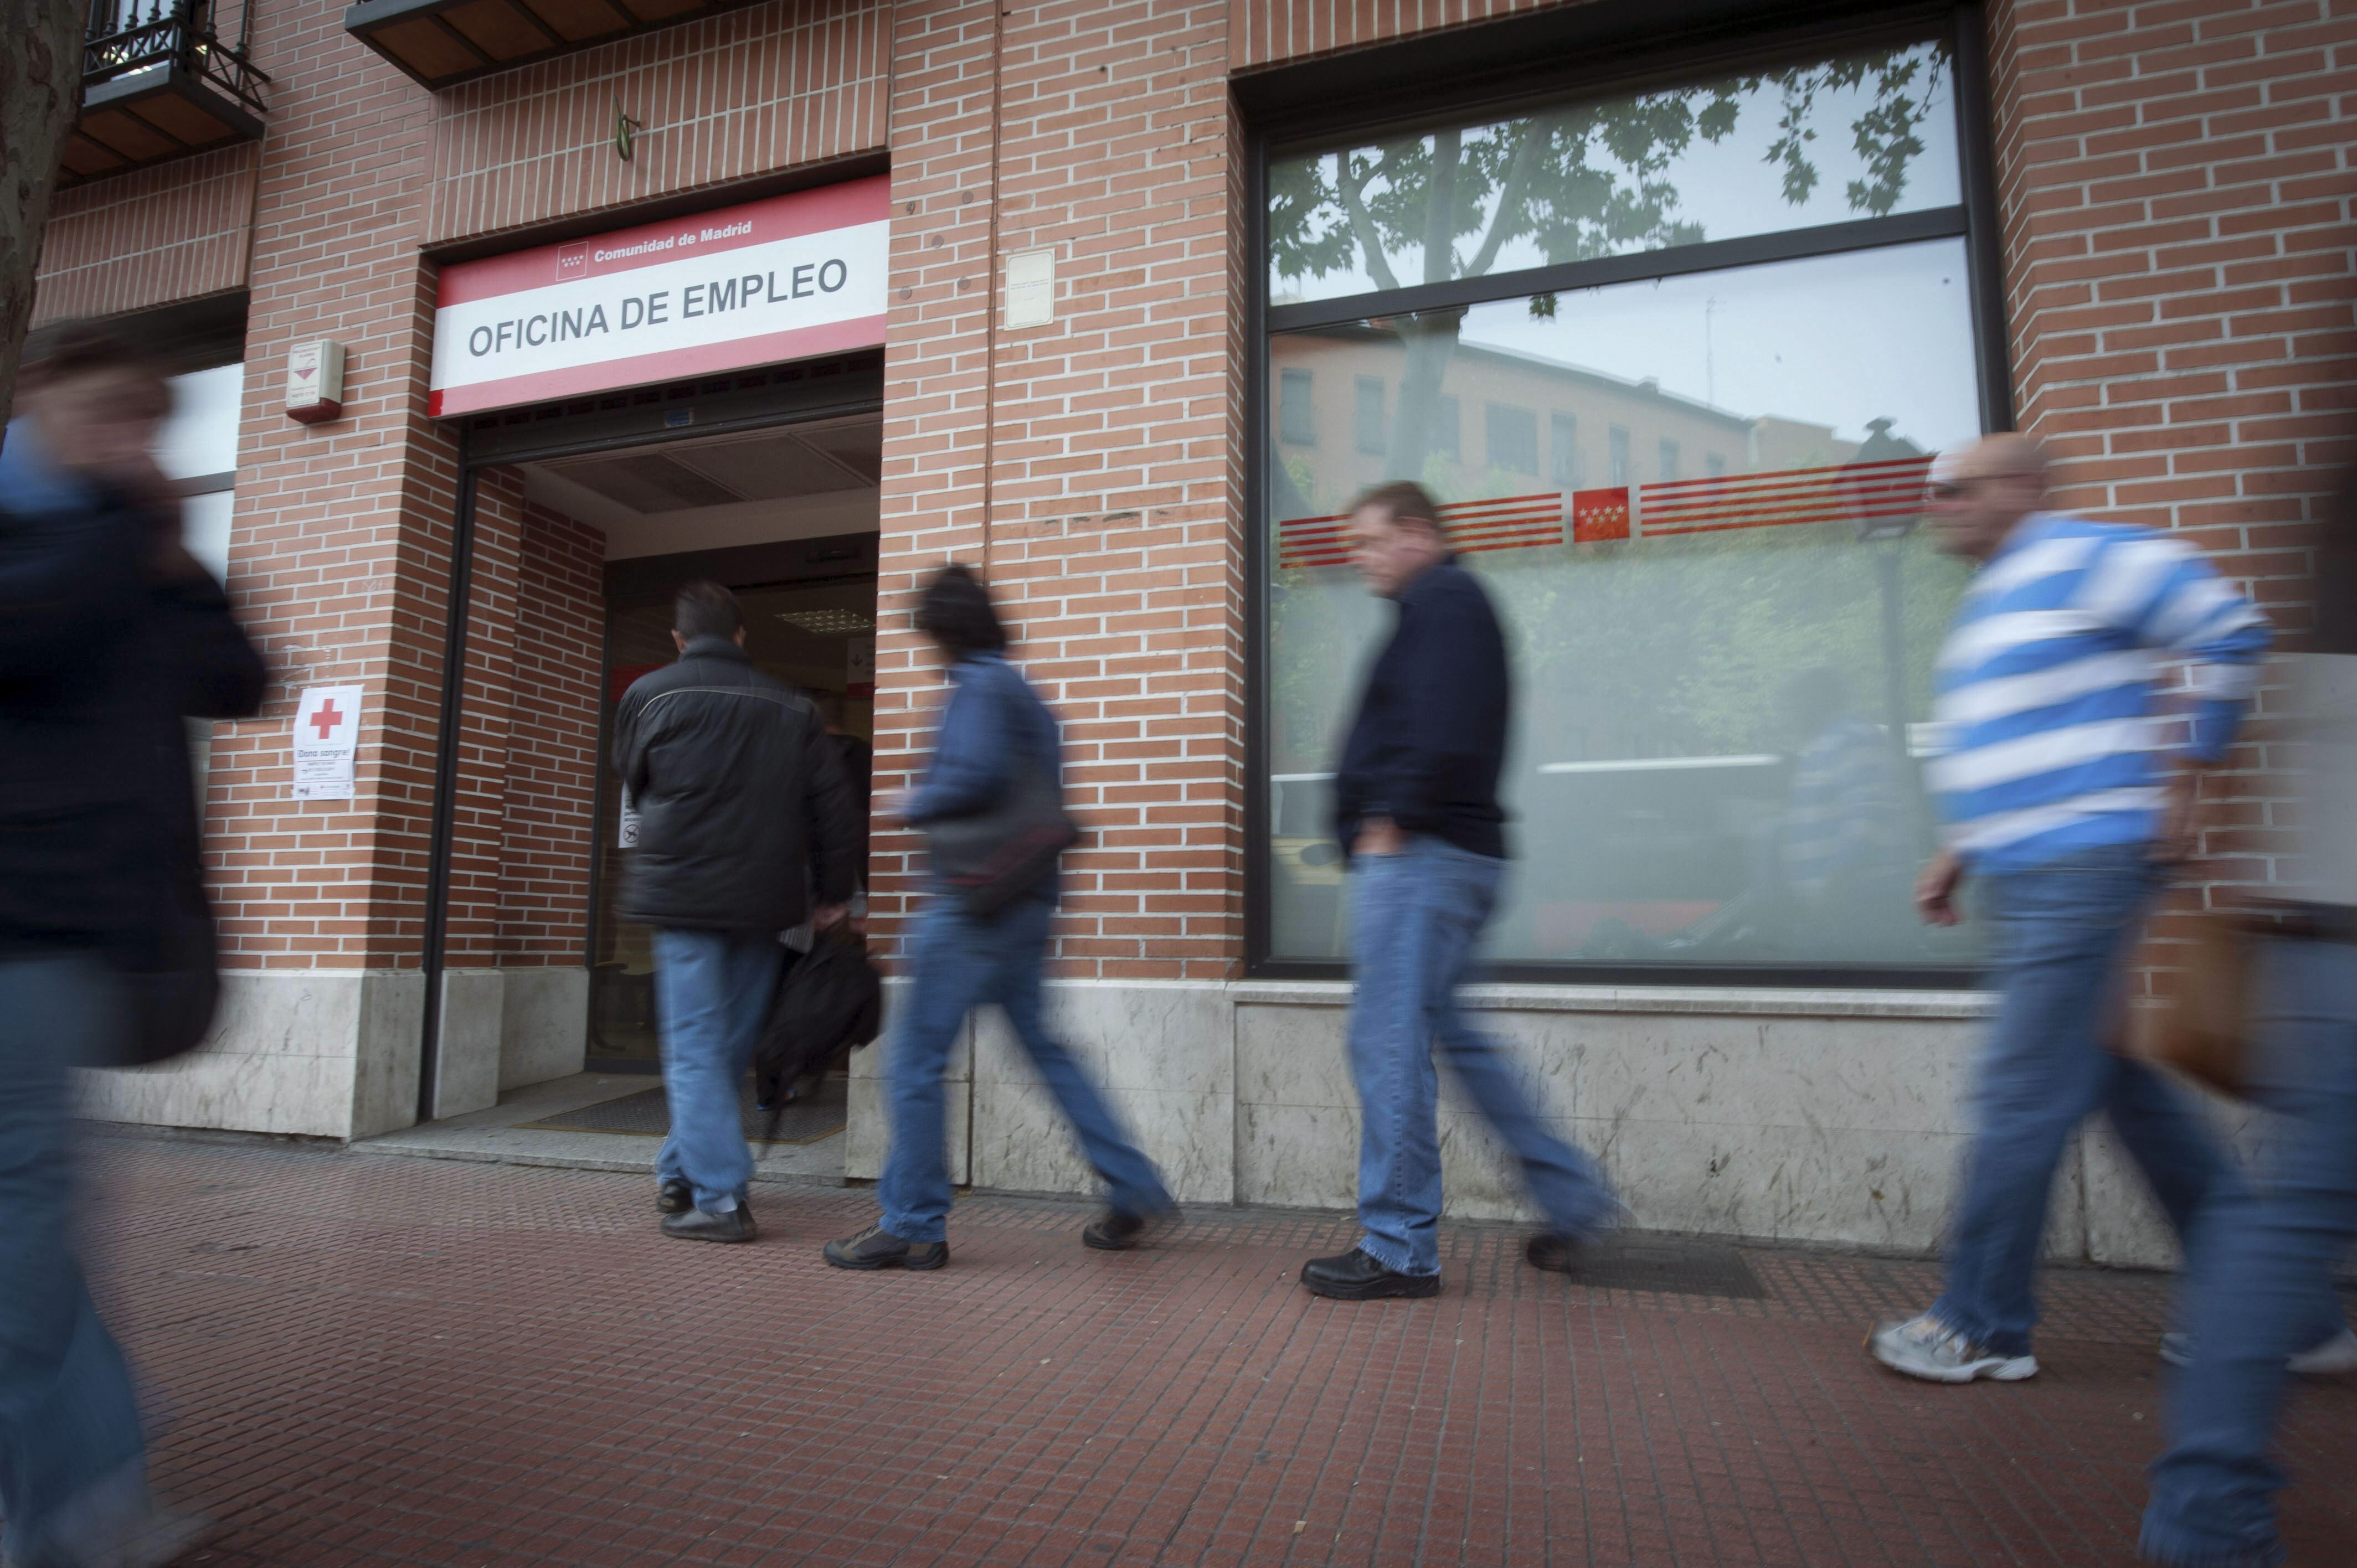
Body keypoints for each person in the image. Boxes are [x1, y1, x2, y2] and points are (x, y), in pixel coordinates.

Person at [1865, 434, 2340, 1383]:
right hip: (2031, 869)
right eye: (1934, 493)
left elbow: (2229, 630)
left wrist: (2190, 772)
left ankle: (1982, 1323)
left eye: (1958, 489)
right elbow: (2034, 734)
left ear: (2022, 488)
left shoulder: (2090, 557)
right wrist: (1961, 848)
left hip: (2084, 866)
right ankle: (2287, 1312)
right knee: (2119, 1089)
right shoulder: (1996, 597)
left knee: (2019, 1094)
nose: (1939, 505)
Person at [1, 325, 266, 1566]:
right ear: (39, 398)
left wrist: (173, 561)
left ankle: (79, 1502)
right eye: (108, 417)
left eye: (148, 429)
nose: (130, 448)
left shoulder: (123, 548)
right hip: (28, 915)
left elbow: (241, 683)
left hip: (51, 933)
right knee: (22, 1224)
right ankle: (86, 1485)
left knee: (22, 1219)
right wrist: (126, 534)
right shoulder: (57, 539)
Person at [1304, 481, 1619, 1301]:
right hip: (1447, 852)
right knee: (1457, 1040)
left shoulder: (1446, 600)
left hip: (1423, 854)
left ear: (1416, 533)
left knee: (1386, 1041)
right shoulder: (1441, 606)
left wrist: (1390, 819)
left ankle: (1400, 1246)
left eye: (1371, 542)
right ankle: (1572, 1197)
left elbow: (1441, 726)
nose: (1361, 559)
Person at [825, 564, 1171, 1270]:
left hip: (969, 905)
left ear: (944, 631)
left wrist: (908, 801)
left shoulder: (977, 688)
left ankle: (914, 1222)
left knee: (915, 1061)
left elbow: (972, 776)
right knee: (1045, 1049)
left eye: (926, 635)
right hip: (1027, 902)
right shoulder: (1029, 697)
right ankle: (1133, 1185)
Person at [2139, 467, 2357, 1566]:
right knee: (2284, 1226)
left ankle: (2205, 1523)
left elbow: (2237, 643)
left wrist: (2196, 786)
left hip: (2328, 910)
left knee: (2283, 1225)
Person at [612, 581, 857, 1242]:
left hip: (684, 897)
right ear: (742, 636)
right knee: (723, 1049)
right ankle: (681, 1170)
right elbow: (829, 808)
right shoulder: (792, 707)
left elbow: (633, 779)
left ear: (678, 638)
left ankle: (718, 1199)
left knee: (694, 1050)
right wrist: (836, 892)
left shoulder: (648, 695)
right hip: (765, 901)